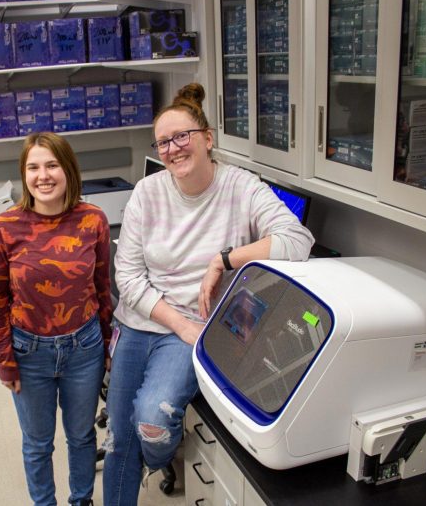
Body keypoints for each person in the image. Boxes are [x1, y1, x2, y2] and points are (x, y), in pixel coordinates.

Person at [102, 83, 314, 505]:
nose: (173, 148)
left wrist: (225, 258)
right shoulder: (148, 192)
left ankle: (156, 459)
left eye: (183, 136)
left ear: (207, 139)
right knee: (118, 440)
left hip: (198, 327)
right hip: (145, 321)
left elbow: (298, 239)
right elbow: (126, 275)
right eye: (164, 142)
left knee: (153, 424)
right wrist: (180, 325)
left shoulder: (241, 187)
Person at [0, 132, 112, 506]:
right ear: (23, 175)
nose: (44, 175)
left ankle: (82, 500)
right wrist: (5, 359)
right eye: (33, 167)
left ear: (68, 169)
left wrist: (105, 346)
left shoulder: (93, 220)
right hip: (29, 352)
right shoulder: (4, 227)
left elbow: (102, 287)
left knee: (82, 436)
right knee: (38, 443)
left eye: (52, 165)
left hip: (84, 347)